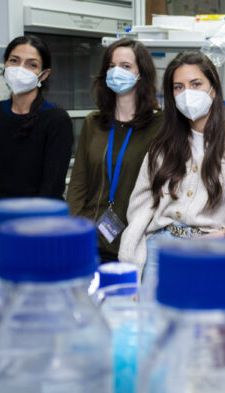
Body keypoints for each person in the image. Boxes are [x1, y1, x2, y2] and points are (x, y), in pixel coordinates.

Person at [119, 52, 225, 288]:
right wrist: (133, 252)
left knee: (202, 322)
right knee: (153, 323)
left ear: (213, 88)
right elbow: (141, 202)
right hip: (161, 248)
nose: (187, 93)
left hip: (212, 248)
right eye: (178, 87)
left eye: (196, 84)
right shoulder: (162, 143)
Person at [67, 38, 161, 263]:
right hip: (89, 241)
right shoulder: (94, 122)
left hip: (135, 243)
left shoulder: (161, 125)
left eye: (126, 66)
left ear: (141, 74)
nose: (116, 71)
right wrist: (73, 232)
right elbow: (78, 186)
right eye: (111, 66)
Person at [0, 35, 73, 201]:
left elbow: (52, 186)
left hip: (37, 218)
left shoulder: (57, 119)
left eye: (32, 65)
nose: (20, 69)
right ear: (5, 64)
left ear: (43, 75)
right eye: (14, 61)